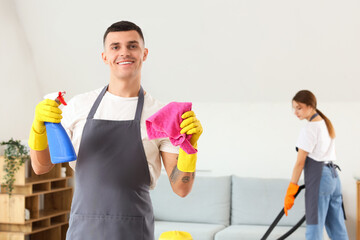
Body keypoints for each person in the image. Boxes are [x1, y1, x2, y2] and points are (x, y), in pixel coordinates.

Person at [28, 21, 203, 240]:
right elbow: (41, 166)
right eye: (115, 47)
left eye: (132, 46)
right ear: (104, 56)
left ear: (144, 53)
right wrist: (38, 129)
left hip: (133, 232)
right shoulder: (78, 106)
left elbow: (181, 188)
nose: (124, 52)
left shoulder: (160, 115)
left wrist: (189, 147)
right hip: (84, 232)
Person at [283, 90, 348, 240]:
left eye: (299, 108)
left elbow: (300, 163)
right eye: (294, 108)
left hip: (320, 179)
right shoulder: (325, 123)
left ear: (311, 106)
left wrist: (291, 189)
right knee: (337, 229)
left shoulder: (309, 129)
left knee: (314, 229)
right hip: (333, 178)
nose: (295, 112)